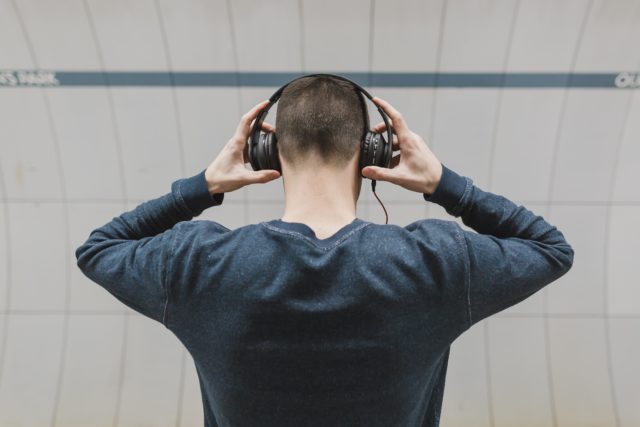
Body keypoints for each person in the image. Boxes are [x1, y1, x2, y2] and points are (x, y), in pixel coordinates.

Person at [75, 75, 574, 426]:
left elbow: (99, 249)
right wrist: (445, 185)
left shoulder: (198, 263)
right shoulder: (436, 261)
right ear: (372, 154)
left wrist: (202, 186)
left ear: (267, 152)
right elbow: (550, 248)